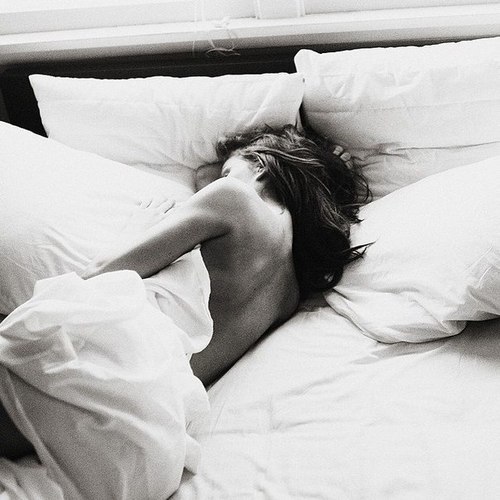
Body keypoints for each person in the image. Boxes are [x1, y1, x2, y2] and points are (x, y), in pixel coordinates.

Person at [0, 124, 370, 460]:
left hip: (99, 365)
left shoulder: (233, 199)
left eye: (228, 172)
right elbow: (205, 175)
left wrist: (141, 228)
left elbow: (100, 273)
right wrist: (320, 166)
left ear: (260, 167)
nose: (215, 181)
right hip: (144, 417)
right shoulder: (291, 294)